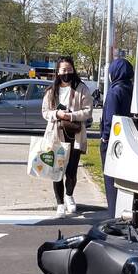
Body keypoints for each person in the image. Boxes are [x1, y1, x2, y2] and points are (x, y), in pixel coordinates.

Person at [41, 56, 92, 216]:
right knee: (57, 171)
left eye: (69, 70)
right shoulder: (51, 91)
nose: (66, 73)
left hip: (75, 135)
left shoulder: (81, 88)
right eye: (63, 70)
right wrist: (57, 113)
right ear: (58, 72)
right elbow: (45, 112)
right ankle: (60, 203)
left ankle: (69, 195)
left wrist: (71, 116)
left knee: (71, 172)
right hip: (56, 135)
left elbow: (88, 111)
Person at [99, 57, 134, 217]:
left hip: (113, 142)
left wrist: (105, 137)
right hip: (129, 141)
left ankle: (112, 213)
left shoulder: (115, 92)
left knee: (110, 180)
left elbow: (110, 118)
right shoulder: (132, 90)